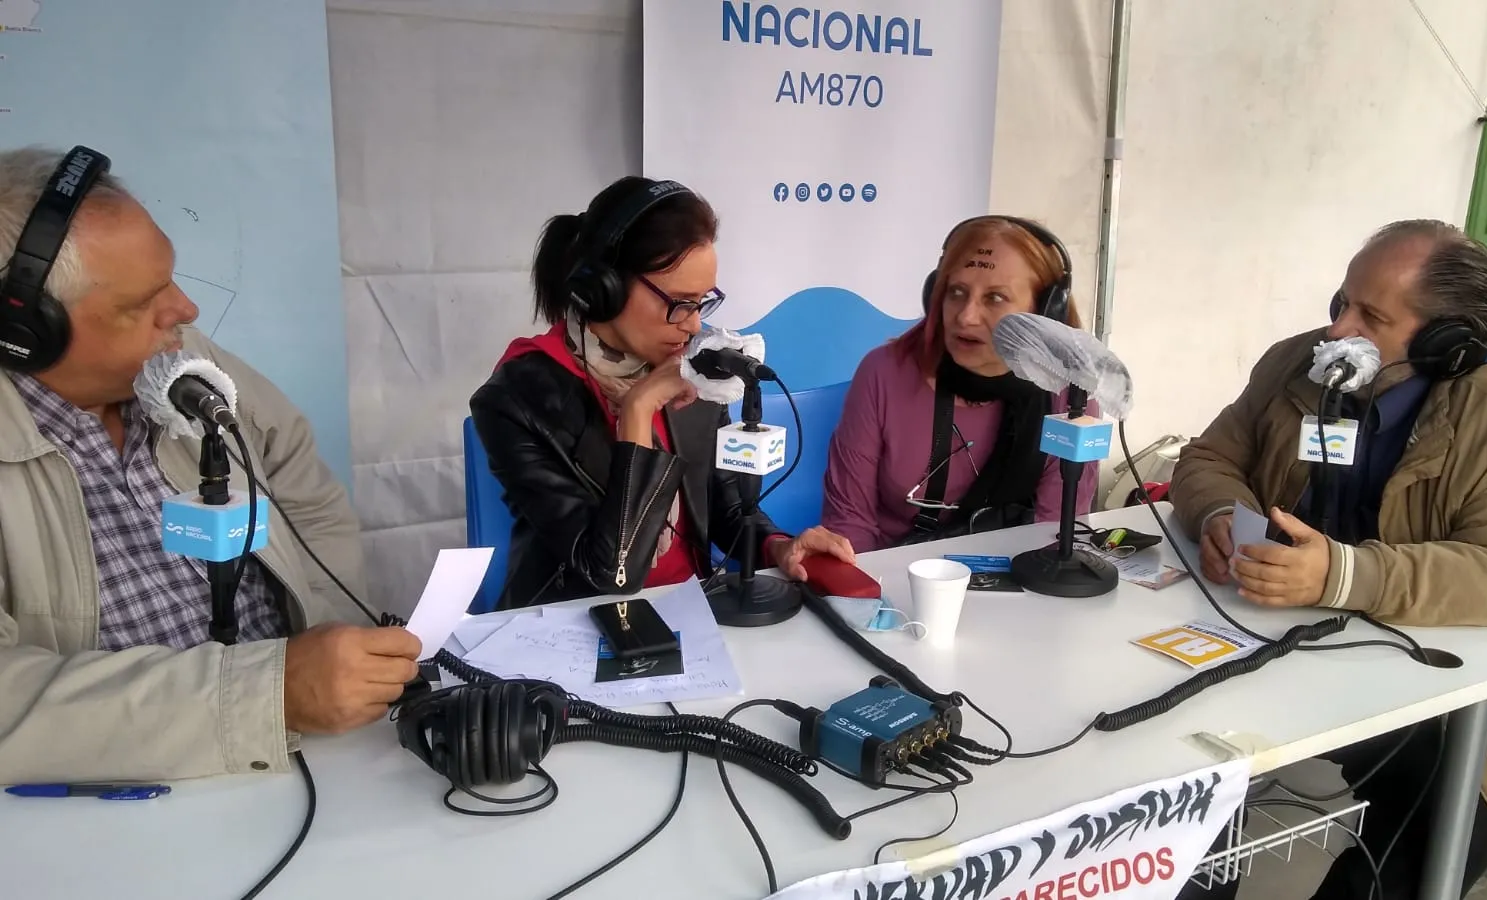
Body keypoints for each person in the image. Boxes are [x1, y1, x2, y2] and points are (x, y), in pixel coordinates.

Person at [1169, 219, 1487, 900]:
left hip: (1466, 694)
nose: (1338, 329)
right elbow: (1209, 457)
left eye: (1371, 316)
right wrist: (1221, 513)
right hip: (1289, 642)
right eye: (1341, 302)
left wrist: (1343, 575)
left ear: (1445, 339)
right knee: (1174, 775)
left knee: (1409, 859)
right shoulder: (1296, 366)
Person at [0, 146, 422, 784]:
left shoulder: (179, 358)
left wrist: (331, 645)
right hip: (124, 792)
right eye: (141, 303)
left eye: (169, 278)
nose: (185, 310)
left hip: (310, 749)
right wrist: (267, 694)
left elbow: (299, 481)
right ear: (28, 335)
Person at [469, 175, 855, 609]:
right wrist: (637, 410)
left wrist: (778, 547)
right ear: (606, 289)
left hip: (691, 609)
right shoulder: (517, 400)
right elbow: (610, 573)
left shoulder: (692, 366)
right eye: (679, 302)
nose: (693, 324)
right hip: (577, 618)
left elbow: (724, 507)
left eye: (702, 301)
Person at [820, 215, 1099, 552]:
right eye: (956, 292)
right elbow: (848, 526)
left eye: (995, 298)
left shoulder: (1071, 397)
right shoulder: (883, 373)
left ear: (1046, 311)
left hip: (1018, 571)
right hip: (890, 571)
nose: (966, 316)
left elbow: (1058, 537)